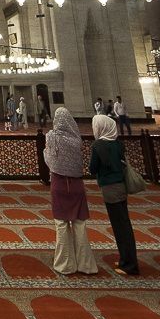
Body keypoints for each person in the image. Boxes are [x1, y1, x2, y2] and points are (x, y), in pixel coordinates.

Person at [44, 107, 98, 276]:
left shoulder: (52, 137)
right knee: (80, 224)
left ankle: (65, 264)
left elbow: (49, 160)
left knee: (61, 224)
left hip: (59, 184)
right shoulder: (76, 140)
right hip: (77, 185)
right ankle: (86, 265)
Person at [89, 113, 139, 277]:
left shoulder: (98, 146)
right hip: (121, 186)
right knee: (124, 223)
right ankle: (126, 259)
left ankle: (130, 265)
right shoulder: (118, 144)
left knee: (120, 226)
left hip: (110, 188)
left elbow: (93, 169)